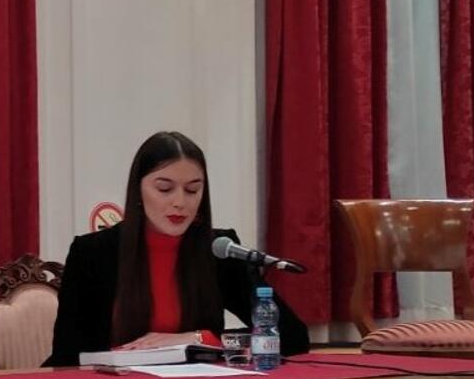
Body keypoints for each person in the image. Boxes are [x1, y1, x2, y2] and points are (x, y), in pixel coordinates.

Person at [46, 130, 309, 366]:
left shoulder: (219, 249)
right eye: (164, 189)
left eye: (192, 190)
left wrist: (200, 338)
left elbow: (293, 336)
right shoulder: (92, 253)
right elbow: (67, 354)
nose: (180, 202)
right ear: (138, 191)